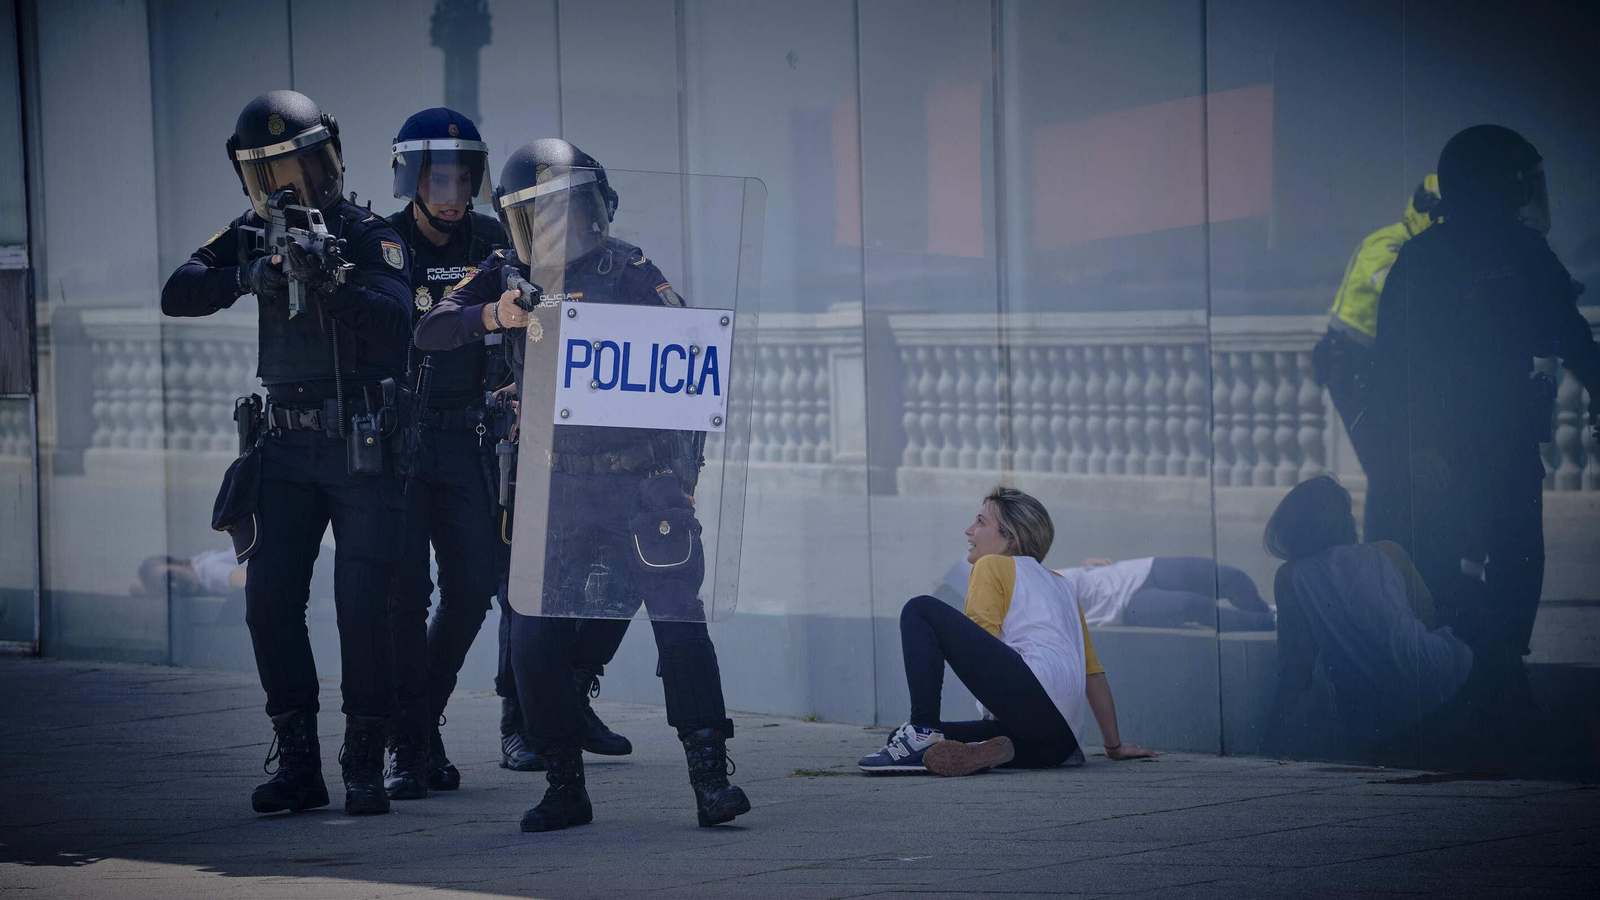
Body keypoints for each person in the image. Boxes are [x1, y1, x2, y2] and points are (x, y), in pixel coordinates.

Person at [414, 139, 750, 832]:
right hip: (552, 488)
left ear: (597, 209)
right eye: (539, 216)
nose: (557, 228)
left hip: (638, 484)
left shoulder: (628, 267)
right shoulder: (504, 272)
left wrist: (679, 477)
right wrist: (494, 314)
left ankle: (711, 777)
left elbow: (690, 361)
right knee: (533, 639)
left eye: (568, 210)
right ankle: (564, 783)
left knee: (680, 626)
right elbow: (430, 328)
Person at [161, 91, 413, 816]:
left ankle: (364, 758)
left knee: (364, 606)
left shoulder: (367, 233)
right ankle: (299, 761)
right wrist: (250, 276)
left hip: (360, 444)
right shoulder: (251, 232)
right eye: (269, 172)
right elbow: (178, 292)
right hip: (285, 444)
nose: (286, 185)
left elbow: (398, 321)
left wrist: (332, 282)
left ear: (327, 160)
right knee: (269, 605)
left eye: (298, 165)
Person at [380, 109, 633, 802]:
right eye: (439, 176)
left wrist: (515, 385)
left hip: (476, 437)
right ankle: (409, 740)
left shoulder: (499, 241)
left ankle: (525, 718)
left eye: (464, 176)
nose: (451, 189)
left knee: (484, 591)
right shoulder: (383, 241)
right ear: (412, 176)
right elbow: (418, 330)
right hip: (401, 442)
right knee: (407, 600)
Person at [1365, 126, 1600, 673]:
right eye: (1516, 181)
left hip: (1490, 434)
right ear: (1491, 186)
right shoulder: (1442, 258)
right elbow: (1398, 366)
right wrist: (1418, 443)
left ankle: (1493, 668)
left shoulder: (1472, 252)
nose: (1524, 194)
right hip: (1457, 437)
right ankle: (1472, 669)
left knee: (1508, 552)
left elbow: (1563, 334)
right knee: (1472, 554)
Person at [858, 487, 1154, 777]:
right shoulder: (1062, 584)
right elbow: (1092, 672)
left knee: (920, 609)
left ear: (1010, 537)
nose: (968, 530)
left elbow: (978, 647)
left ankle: (922, 733)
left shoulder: (992, 565)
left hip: (1030, 704)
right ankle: (991, 750)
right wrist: (1113, 745)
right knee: (899, 736)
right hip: (1059, 745)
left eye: (980, 522)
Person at [1263, 476, 1474, 755]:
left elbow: (1296, 666)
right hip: (1439, 677)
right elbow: (1430, 619)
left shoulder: (1291, 576)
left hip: (1371, 716)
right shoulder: (1388, 552)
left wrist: (1270, 736)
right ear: (1345, 521)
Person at [1313, 175, 1441, 478]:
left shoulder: (1424, 251)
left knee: (1396, 462)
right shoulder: (1389, 243)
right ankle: (1380, 525)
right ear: (1428, 212)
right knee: (1385, 466)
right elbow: (1391, 287)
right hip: (1350, 360)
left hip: (1369, 363)